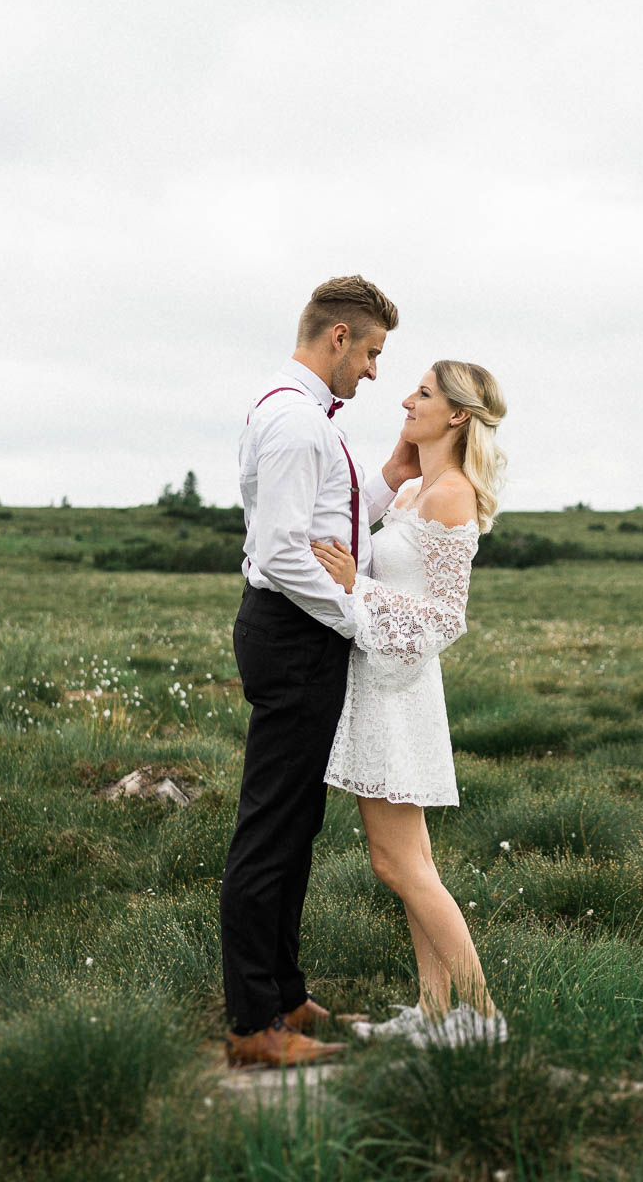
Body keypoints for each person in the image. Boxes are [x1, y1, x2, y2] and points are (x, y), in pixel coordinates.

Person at [221, 275, 421, 1069]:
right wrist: (357, 613)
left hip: (295, 632)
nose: (375, 371)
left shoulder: (295, 414)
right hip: (295, 635)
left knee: (296, 822)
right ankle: (251, 1026)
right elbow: (282, 556)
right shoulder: (299, 426)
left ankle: (284, 992)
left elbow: (321, 530)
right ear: (338, 338)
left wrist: (389, 475)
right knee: (271, 828)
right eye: (372, 352)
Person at [308, 358, 509, 1048]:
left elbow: (446, 617)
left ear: (457, 414)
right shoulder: (416, 490)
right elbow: (375, 566)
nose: (404, 400)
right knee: (408, 861)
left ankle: (482, 1019)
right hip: (380, 687)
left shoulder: (452, 495)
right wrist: (395, 474)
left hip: (401, 695)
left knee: (399, 865)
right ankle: (433, 1014)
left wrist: (356, 589)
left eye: (421, 394)